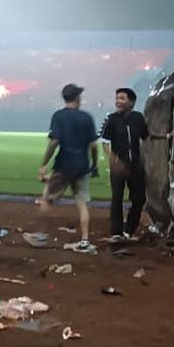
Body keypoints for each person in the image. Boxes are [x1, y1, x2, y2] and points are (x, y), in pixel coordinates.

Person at [39, 83, 99, 252]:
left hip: (64, 164)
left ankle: (41, 234)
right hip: (82, 165)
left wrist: (43, 163)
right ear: (77, 97)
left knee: (48, 197)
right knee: (82, 203)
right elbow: (94, 146)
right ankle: (85, 240)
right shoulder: (87, 117)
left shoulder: (58, 116)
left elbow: (54, 142)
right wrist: (94, 165)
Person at [100, 87, 149, 240]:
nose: (118, 102)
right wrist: (114, 160)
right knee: (117, 198)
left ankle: (130, 228)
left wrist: (143, 159)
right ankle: (117, 232)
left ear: (132, 102)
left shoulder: (138, 118)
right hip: (118, 165)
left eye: (122, 98)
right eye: (117, 98)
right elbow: (105, 143)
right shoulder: (112, 119)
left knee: (139, 198)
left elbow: (145, 139)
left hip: (135, 165)